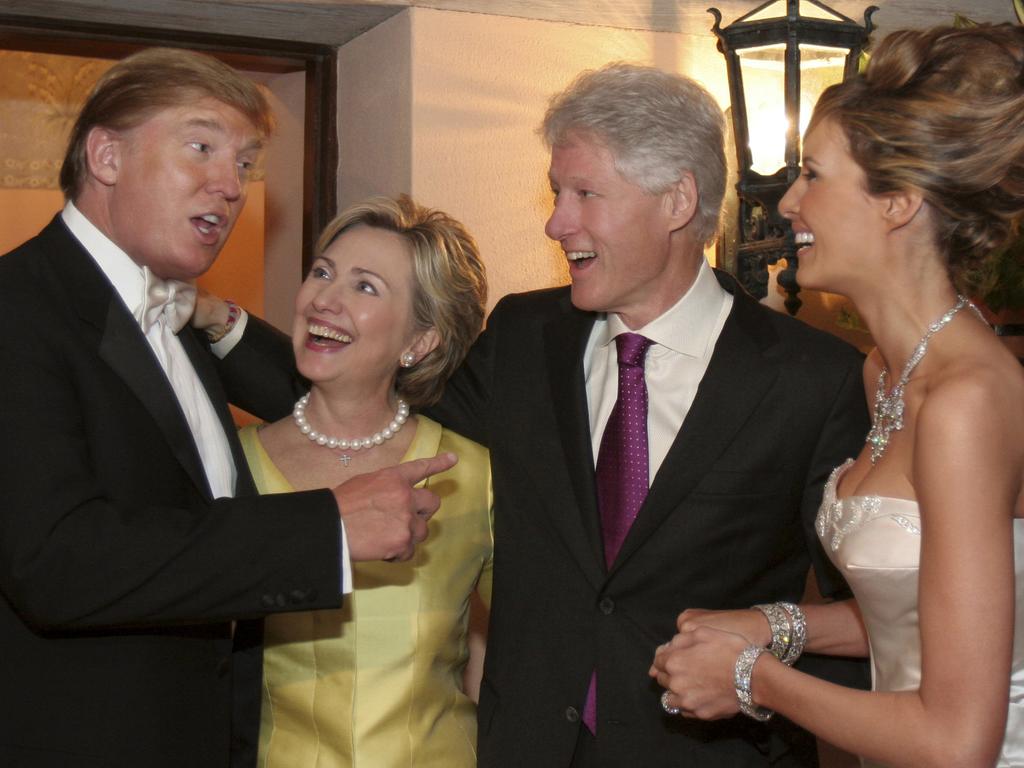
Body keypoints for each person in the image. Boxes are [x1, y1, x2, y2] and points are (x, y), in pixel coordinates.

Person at [0, 48, 454, 767]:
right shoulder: (20, 310)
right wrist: (325, 527)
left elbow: (329, 396)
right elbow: (57, 562)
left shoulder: (176, 323)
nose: (231, 185)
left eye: (244, 163)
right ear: (106, 156)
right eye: (201, 147)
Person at [422, 62, 871, 767]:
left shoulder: (812, 378)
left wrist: (762, 677)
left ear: (677, 201)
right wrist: (222, 330)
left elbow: (870, 618)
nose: (556, 221)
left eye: (585, 193)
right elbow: (372, 414)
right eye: (555, 193)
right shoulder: (522, 336)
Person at [650, 23, 1024, 768]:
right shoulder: (884, 373)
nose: (787, 202)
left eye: (814, 175)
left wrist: (752, 677)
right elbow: (923, 613)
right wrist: (773, 624)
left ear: (898, 203)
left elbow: (958, 743)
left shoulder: (966, 399)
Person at [241, 195, 492, 767]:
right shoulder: (228, 465)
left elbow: (510, 653)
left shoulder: (474, 475)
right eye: (322, 273)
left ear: (420, 340)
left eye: (365, 287)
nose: (324, 300)